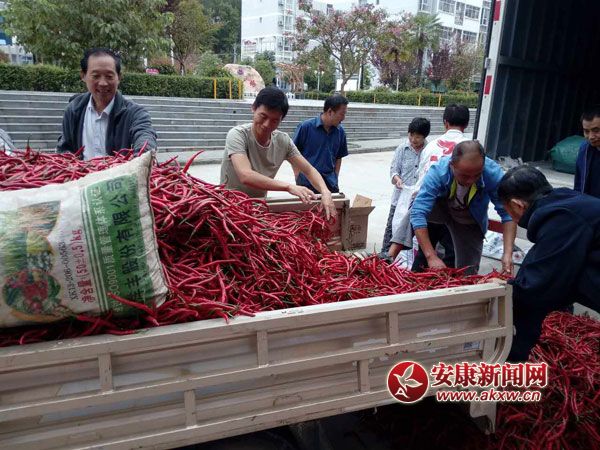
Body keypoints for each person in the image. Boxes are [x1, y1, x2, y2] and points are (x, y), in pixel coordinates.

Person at [496, 166, 600, 361]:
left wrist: (503, 289)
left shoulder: (562, 219)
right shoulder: (567, 203)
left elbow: (539, 284)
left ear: (517, 205)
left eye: (508, 211)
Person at [220, 86, 336, 219]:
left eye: (275, 120)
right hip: (228, 208)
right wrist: (288, 187)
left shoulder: (283, 141)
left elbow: (309, 170)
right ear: (254, 108)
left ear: (282, 119)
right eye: (263, 116)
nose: (267, 124)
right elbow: (245, 175)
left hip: (257, 209)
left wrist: (325, 192)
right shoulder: (237, 135)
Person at [410, 140, 516, 275]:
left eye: (477, 175)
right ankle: (391, 252)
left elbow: (507, 214)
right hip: (440, 209)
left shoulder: (493, 173)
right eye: (464, 176)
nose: (470, 180)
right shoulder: (439, 171)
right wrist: (431, 256)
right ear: (452, 165)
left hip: (468, 217)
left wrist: (507, 253)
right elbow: (418, 213)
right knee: (413, 209)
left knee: (468, 272)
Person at [388, 104, 471, 264]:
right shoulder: (472, 148)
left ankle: (392, 258)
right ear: (466, 124)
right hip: (456, 208)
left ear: (445, 122)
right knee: (452, 253)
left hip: (426, 205)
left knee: (425, 250)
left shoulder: (431, 146)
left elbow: (422, 181)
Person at [57, 48, 157, 159]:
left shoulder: (135, 113)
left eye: (109, 76)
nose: (103, 83)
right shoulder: (73, 110)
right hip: (81, 170)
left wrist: (141, 157)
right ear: (83, 76)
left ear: (119, 77)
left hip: (122, 170)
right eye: (95, 76)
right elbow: (64, 149)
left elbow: (145, 136)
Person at [380, 117, 431, 256]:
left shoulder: (429, 151)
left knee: (414, 230)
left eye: (418, 137)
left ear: (425, 136)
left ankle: (409, 259)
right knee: (391, 227)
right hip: (400, 197)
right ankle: (385, 256)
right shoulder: (402, 149)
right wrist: (397, 179)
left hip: (418, 199)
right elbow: (394, 170)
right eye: (411, 135)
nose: (413, 139)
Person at [292, 95, 349, 193]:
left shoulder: (340, 132)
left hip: (330, 183)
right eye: (342, 114)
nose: (344, 118)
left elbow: (339, 157)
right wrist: (297, 175)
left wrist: (335, 176)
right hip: (307, 183)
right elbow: (293, 153)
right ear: (330, 111)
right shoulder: (306, 127)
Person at [574, 105, 600, 197]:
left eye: (596, 130)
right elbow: (578, 186)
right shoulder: (584, 150)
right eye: (586, 131)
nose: (591, 137)